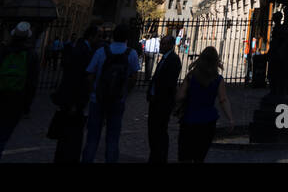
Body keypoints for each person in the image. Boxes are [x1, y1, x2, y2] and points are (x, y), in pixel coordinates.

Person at [0, 23, 40, 163]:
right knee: (0, 139)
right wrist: (26, 107)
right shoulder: (31, 55)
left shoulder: (1, 51)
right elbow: (32, 83)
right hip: (15, 102)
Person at [82, 24, 140, 163]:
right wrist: (125, 92)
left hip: (98, 99)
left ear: (113, 36)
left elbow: (89, 74)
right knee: (113, 138)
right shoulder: (131, 53)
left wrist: (94, 91)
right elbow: (134, 77)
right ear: (127, 38)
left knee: (92, 138)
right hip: (117, 101)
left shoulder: (101, 51)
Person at [176, 47, 233, 163]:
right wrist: (230, 118)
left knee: (184, 155)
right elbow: (223, 100)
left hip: (189, 119)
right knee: (199, 156)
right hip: (208, 120)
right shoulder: (218, 79)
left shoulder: (191, 76)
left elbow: (180, 96)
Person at [51, 24, 98, 163]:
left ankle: (66, 156)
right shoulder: (82, 51)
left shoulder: (83, 48)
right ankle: (66, 157)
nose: (99, 39)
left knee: (70, 132)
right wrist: (74, 102)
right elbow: (75, 77)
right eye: (97, 36)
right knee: (70, 132)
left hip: (74, 98)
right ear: (91, 36)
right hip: (73, 99)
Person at [147, 35, 182, 163]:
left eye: (164, 44)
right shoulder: (165, 58)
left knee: (159, 132)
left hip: (162, 103)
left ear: (171, 46)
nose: (161, 46)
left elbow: (168, 83)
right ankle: (155, 156)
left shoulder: (173, 60)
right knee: (153, 131)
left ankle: (160, 157)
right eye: (161, 43)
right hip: (155, 101)